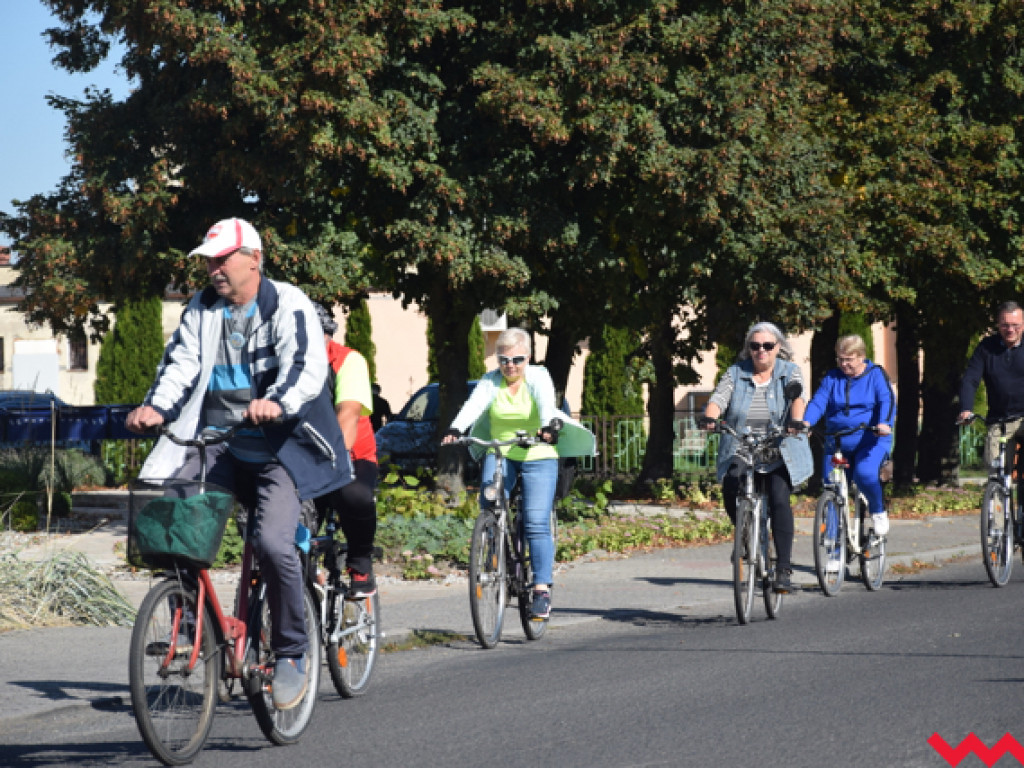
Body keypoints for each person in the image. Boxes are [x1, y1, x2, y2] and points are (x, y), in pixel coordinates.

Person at [126, 217, 351, 711]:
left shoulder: (287, 303)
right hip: (220, 443)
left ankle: (291, 652)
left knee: (273, 544)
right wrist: (156, 409)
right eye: (209, 261)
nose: (214, 269)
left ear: (254, 257)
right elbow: (180, 365)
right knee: (172, 519)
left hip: (280, 448)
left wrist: (277, 402)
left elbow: (306, 366)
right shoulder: (203, 307)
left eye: (222, 259)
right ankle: (190, 623)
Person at [441, 327, 595, 619]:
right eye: (503, 360)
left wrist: (549, 427)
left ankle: (540, 589)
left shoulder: (538, 376)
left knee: (536, 521)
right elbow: (474, 405)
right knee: (489, 503)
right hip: (501, 450)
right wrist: (455, 428)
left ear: (529, 357)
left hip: (538, 452)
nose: (510, 366)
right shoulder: (491, 381)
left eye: (517, 359)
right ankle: (493, 556)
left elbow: (546, 403)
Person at [700, 322, 813, 593]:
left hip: (778, 445)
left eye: (767, 346)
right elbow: (719, 398)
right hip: (743, 444)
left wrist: (796, 422)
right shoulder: (735, 373)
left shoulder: (790, 372)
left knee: (778, 498)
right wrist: (710, 417)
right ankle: (747, 534)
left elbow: (797, 397)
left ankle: (783, 569)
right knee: (730, 486)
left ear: (778, 348)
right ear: (748, 349)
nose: (760, 351)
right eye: (755, 346)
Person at [312, 302, 380, 597]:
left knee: (354, 495)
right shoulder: (286, 361)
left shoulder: (348, 360)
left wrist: (333, 458)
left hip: (351, 453)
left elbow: (348, 414)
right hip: (303, 455)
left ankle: (360, 563)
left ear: (327, 334)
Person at [800, 334, 896, 539]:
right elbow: (818, 402)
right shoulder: (832, 378)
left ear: (861, 356)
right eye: (840, 359)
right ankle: (834, 551)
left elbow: (887, 401)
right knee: (832, 488)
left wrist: (884, 424)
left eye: (848, 359)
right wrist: (806, 423)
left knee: (866, 474)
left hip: (870, 440)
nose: (844, 364)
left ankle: (878, 510)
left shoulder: (876, 375)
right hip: (836, 442)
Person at [958, 301, 1024, 478]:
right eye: (1005, 325)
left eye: (1015, 325)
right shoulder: (986, 348)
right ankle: (997, 501)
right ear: (998, 325)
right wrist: (966, 409)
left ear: (1023, 325)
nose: (1010, 330)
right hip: (1000, 418)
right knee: (994, 469)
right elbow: (971, 379)